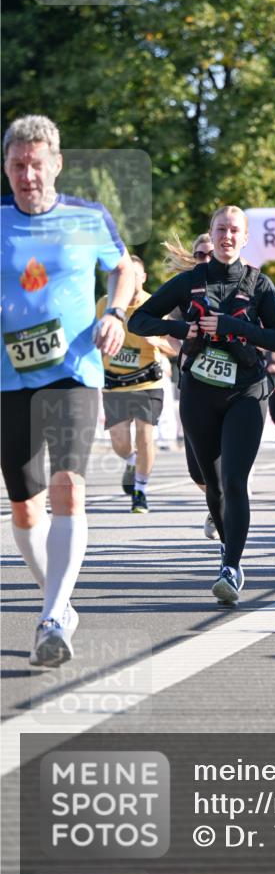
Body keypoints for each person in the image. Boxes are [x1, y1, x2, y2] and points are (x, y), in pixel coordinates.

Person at [1, 114, 134, 666]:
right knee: (25, 510)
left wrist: (117, 313)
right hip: (9, 377)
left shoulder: (87, 217)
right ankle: (56, 598)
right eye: (17, 165)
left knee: (68, 487)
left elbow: (125, 266)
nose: (27, 174)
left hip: (74, 371)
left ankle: (53, 618)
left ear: (56, 164)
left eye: (36, 163)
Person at [129, 205, 275, 604]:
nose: (227, 236)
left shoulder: (260, 284)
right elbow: (140, 321)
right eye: (221, 229)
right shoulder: (190, 281)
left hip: (246, 393)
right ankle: (227, 548)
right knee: (212, 485)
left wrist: (232, 326)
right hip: (199, 391)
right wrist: (182, 328)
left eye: (235, 230)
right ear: (212, 234)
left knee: (234, 480)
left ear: (245, 237)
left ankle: (231, 567)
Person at [96, 255, 174, 513]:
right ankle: (131, 461)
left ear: (142, 278)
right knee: (119, 443)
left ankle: (140, 490)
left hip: (146, 381)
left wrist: (158, 343)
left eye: (135, 275)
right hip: (115, 382)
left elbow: (175, 346)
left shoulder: (154, 305)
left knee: (145, 435)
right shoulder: (105, 304)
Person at [163, 232, 219, 537]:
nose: (206, 260)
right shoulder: (184, 289)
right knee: (198, 470)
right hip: (194, 381)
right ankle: (217, 500)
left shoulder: (244, 283)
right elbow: (170, 329)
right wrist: (182, 351)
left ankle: (227, 504)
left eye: (210, 254)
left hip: (232, 386)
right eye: (200, 255)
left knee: (228, 460)